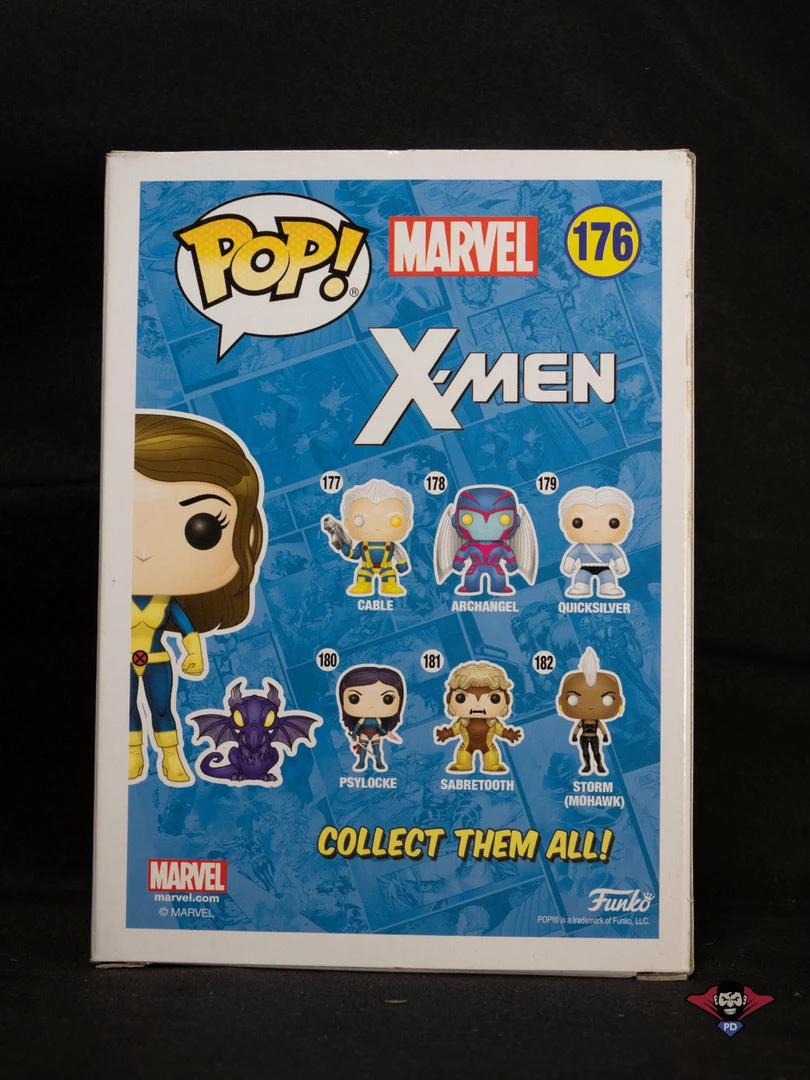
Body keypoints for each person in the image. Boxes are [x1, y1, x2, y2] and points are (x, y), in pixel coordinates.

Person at [130, 411, 265, 784]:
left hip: (157, 659)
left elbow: (187, 630)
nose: (144, 553)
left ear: (247, 537)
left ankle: (171, 757)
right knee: (127, 710)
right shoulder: (112, 598)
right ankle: (133, 755)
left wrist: (194, 654)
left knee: (161, 710)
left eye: (201, 529)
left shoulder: (166, 601)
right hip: (121, 660)